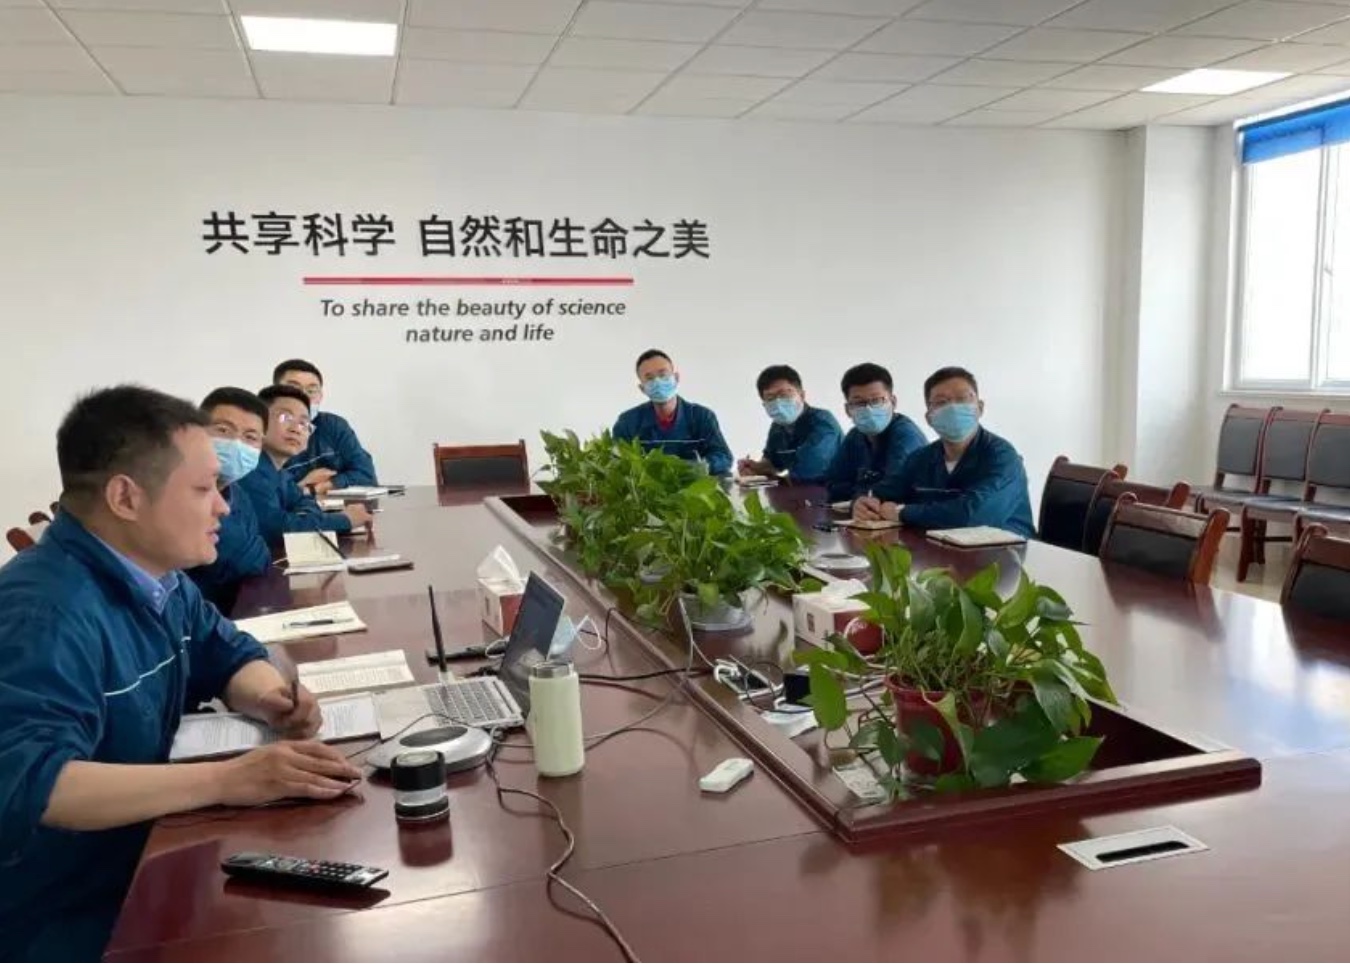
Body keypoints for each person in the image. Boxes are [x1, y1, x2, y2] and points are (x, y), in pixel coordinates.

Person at [0, 385, 362, 961]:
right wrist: (226, 780)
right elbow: (32, 784)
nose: (224, 506)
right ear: (126, 497)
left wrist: (271, 697)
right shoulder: (45, 613)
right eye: (203, 489)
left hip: (147, 864)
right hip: (67, 916)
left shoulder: (158, 577)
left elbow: (226, 649)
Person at [854, 366, 1036, 538]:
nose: (953, 408)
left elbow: (973, 516)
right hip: (938, 552)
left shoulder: (1003, 457)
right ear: (929, 417)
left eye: (962, 399)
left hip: (1005, 554)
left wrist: (902, 512)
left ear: (980, 408)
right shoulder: (921, 458)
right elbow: (882, 493)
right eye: (941, 402)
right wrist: (862, 504)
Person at [238, 385, 372, 546]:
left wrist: (303, 519)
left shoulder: (280, 472)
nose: (296, 429)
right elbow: (277, 529)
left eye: (304, 423)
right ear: (258, 422)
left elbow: (305, 501)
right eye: (285, 417)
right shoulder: (249, 470)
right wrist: (345, 520)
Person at [185, 387, 271, 613]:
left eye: (250, 437)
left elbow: (259, 555)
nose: (236, 444)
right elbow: (245, 557)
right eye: (223, 430)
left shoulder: (238, 493)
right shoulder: (178, 492)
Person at [612, 349, 733, 476]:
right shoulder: (627, 423)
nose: (657, 382)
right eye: (650, 378)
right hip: (649, 488)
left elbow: (724, 457)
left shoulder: (702, 417)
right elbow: (617, 464)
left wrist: (699, 466)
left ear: (676, 378)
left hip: (696, 486)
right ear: (642, 388)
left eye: (663, 375)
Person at [824, 363, 927, 503]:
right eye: (859, 403)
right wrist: (864, 493)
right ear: (848, 410)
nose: (869, 409)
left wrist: (860, 492)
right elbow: (833, 483)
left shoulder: (907, 436)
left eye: (877, 400)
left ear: (893, 402)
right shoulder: (855, 435)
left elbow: (894, 490)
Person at [273, 359, 377, 494]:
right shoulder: (262, 433)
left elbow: (367, 475)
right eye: (293, 389)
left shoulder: (334, 426)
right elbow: (263, 495)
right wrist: (302, 486)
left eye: (311, 391)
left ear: (320, 396)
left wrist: (325, 485)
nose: (303, 397)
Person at [737, 364, 842, 484]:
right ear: (764, 404)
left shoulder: (823, 422)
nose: (778, 402)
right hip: (797, 491)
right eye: (770, 398)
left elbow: (808, 471)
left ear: (802, 395)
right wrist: (755, 468)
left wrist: (772, 475)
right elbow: (772, 463)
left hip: (832, 491)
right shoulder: (777, 427)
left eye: (784, 395)